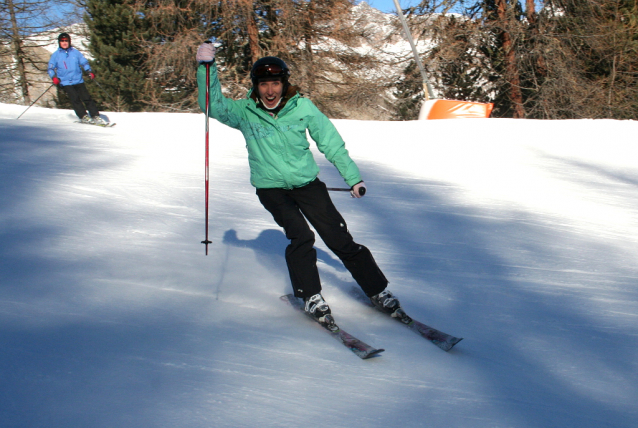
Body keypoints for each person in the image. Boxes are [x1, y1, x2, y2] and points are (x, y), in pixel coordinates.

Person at [196, 42, 402, 327]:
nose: (270, 91)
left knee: (339, 237)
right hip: (271, 189)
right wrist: (207, 67)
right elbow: (212, 105)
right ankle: (310, 296)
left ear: (284, 84)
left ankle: (378, 290)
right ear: (256, 86)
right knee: (301, 236)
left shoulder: (302, 107)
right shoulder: (245, 112)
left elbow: (330, 142)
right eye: (264, 84)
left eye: (276, 84)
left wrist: (353, 178)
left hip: (307, 184)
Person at [48, 33, 106, 125]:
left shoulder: (75, 52)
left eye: (66, 40)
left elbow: (84, 62)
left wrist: (89, 71)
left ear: (69, 41)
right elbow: (50, 68)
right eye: (62, 41)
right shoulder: (56, 55)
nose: (64, 43)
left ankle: (95, 116)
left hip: (78, 79)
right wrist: (54, 77)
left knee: (87, 98)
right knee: (75, 99)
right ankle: (83, 116)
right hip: (65, 81)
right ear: (59, 42)